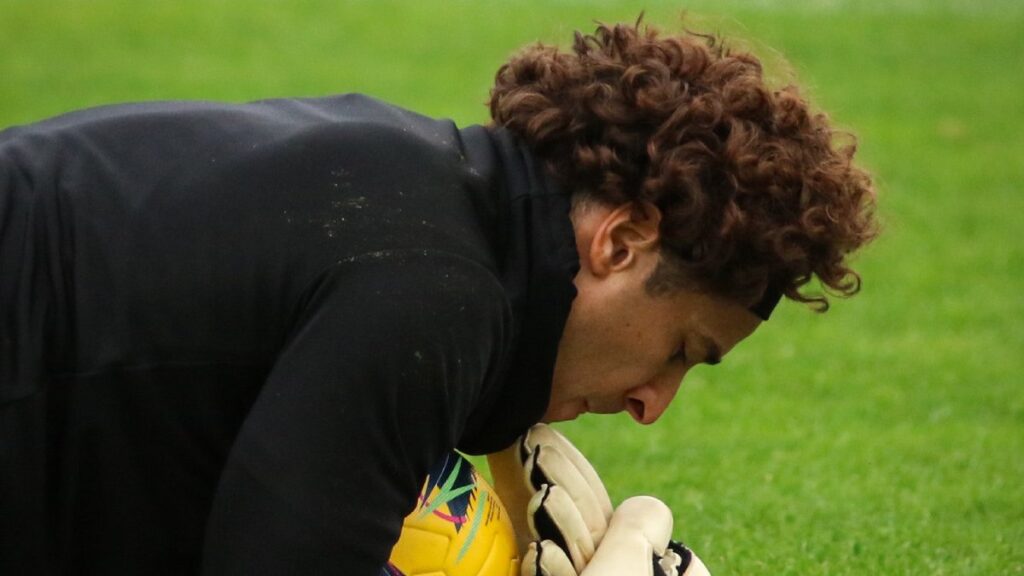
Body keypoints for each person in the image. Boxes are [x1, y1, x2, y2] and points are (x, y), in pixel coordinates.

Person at [0, 19, 876, 575]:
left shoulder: (418, 181)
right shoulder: (440, 298)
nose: (651, 404)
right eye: (682, 350)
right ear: (620, 241)